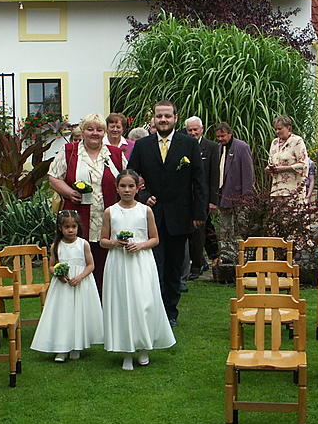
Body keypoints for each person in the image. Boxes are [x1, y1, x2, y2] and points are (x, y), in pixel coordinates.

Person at [127, 100, 206, 327]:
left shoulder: (188, 144)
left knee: (173, 267)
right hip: (150, 216)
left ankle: (170, 312)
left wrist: (199, 213)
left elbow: (199, 181)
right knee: (153, 266)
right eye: (159, 116)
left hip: (179, 216)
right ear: (154, 118)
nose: (163, 120)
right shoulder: (142, 146)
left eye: (167, 116)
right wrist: (144, 195)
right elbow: (130, 176)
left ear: (175, 118)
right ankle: (153, 310)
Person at [100, 170, 176, 370]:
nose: (127, 190)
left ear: (137, 188)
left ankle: (143, 347)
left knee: (143, 303)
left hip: (141, 261)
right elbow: (103, 241)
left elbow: (155, 239)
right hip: (118, 262)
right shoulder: (110, 212)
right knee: (122, 304)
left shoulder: (145, 211)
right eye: (123, 186)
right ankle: (126, 350)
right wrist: (115, 243)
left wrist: (140, 245)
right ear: (117, 188)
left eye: (131, 186)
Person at [48, 113, 126, 294]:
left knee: (105, 263)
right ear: (82, 131)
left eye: (99, 130)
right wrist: (68, 192)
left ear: (104, 133)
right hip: (78, 219)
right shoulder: (69, 151)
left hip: (107, 219)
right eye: (90, 129)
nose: (94, 133)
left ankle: (105, 301)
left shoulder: (114, 154)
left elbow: (126, 179)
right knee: (79, 259)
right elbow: (53, 177)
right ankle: (78, 299)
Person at [31, 210, 104, 362]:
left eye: (73, 226)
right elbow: (51, 266)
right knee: (63, 314)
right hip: (62, 286)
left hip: (80, 284)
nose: (71, 230)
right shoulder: (56, 246)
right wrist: (58, 273)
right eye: (67, 227)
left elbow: (90, 265)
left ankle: (77, 346)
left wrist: (80, 277)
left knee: (78, 313)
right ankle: (62, 348)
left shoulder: (83, 244)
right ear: (60, 228)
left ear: (78, 227)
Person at [185, 116, 219, 279]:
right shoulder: (183, 146)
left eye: (195, 130)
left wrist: (213, 200)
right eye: (190, 130)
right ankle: (190, 264)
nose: (193, 133)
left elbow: (214, 176)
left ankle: (197, 267)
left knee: (199, 232)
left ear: (202, 129)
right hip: (185, 196)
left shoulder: (211, 147)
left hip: (203, 197)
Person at [215, 122, 255, 260]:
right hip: (223, 195)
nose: (220, 139)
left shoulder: (242, 147)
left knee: (242, 228)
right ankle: (228, 255)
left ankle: (247, 255)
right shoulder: (218, 148)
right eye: (218, 137)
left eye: (223, 136)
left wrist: (247, 196)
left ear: (230, 133)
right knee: (225, 228)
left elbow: (248, 173)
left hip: (239, 195)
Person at [265, 115, 309, 201]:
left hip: (293, 190)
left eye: (280, 129)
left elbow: (303, 164)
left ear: (289, 128)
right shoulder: (274, 142)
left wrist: (284, 168)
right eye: (275, 129)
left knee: (293, 209)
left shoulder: (297, 141)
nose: (277, 131)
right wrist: (269, 168)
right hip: (277, 190)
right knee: (277, 210)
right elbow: (271, 161)